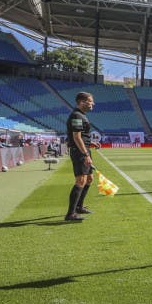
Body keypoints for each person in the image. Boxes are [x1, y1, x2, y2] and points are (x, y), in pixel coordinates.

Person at [66, 92, 99, 222]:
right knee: (80, 180)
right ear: (82, 102)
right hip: (79, 152)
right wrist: (85, 154)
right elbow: (76, 137)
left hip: (84, 149)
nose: (93, 104)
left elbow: (82, 136)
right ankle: (70, 214)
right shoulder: (76, 115)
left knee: (89, 179)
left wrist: (90, 143)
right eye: (91, 101)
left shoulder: (81, 115)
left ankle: (79, 207)